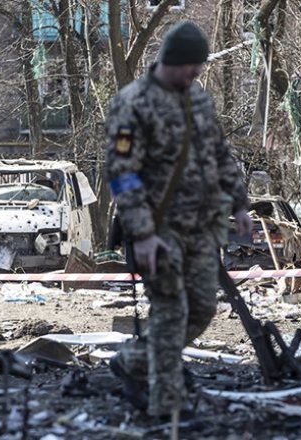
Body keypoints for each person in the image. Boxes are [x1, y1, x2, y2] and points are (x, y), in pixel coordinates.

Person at [105, 20, 253, 418]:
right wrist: (143, 234)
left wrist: (240, 205)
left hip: (202, 228)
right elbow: (122, 173)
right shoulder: (132, 103)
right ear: (172, 61)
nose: (197, 73)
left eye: (200, 67)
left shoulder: (198, 100)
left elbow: (220, 154)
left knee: (202, 309)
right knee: (171, 313)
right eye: (192, 66)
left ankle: (134, 360)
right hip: (159, 231)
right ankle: (166, 409)